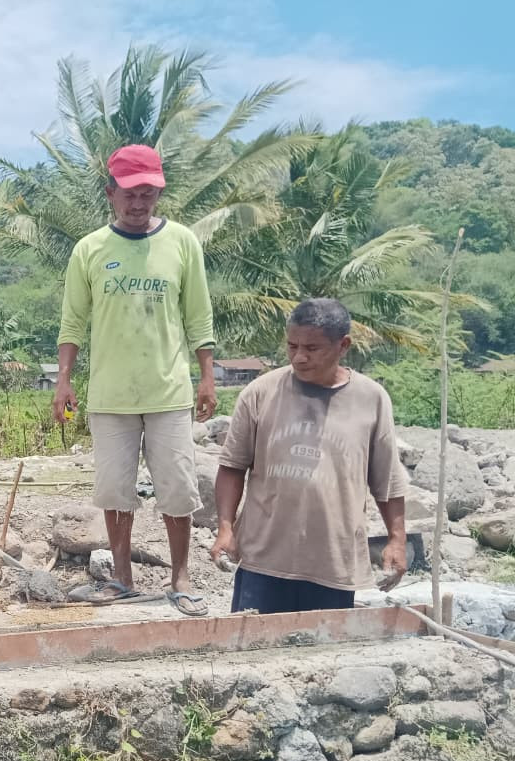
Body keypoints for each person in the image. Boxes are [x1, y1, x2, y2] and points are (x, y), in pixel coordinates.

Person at [53, 144, 217, 616]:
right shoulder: (89, 250)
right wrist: (64, 381)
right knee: (115, 488)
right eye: (130, 193)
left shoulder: (182, 243)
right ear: (111, 194)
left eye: (149, 193)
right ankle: (121, 577)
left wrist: (206, 378)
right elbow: (72, 324)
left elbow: (199, 317)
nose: (140, 202)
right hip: (110, 395)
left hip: (168, 392)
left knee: (178, 486)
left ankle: (180, 578)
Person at [211, 298, 408, 613]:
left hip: (333, 562)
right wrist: (225, 529)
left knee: (321, 656)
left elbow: (386, 480)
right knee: (252, 653)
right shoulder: (261, 393)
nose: (299, 357)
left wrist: (397, 539)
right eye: (292, 346)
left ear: (343, 345)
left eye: (312, 349)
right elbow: (232, 467)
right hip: (264, 559)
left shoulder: (371, 399)